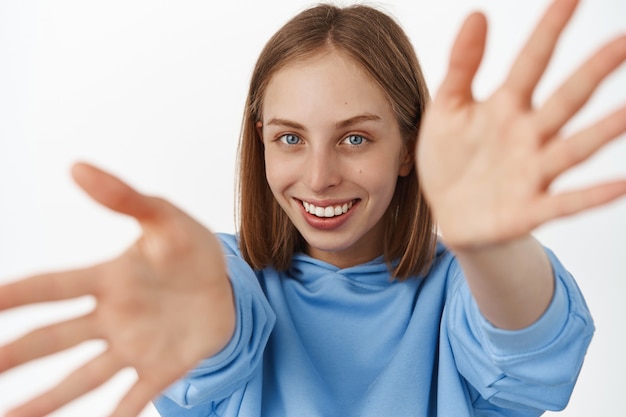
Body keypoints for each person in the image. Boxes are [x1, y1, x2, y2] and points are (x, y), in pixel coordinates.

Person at [0, 0, 625, 415]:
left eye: (355, 138)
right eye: (290, 138)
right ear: (261, 142)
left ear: (409, 148)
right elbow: (225, 332)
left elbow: (530, 352)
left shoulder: (466, 283)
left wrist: (491, 247)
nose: (320, 178)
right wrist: (208, 334)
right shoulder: (222, 277)